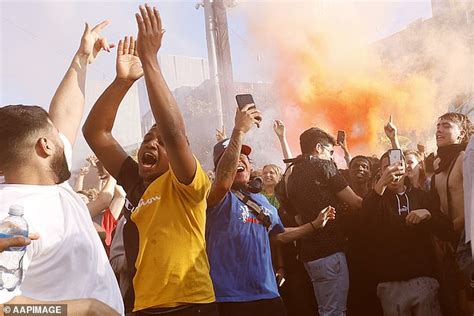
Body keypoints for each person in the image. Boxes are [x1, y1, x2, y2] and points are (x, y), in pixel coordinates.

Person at [83, 5, 216, 315]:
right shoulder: (135, 184)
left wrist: (150, 60)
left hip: (190, 305)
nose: (151, 144)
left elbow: (173, 131)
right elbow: (96, 133)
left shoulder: (187, 183)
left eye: (161, 143)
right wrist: (123, 81)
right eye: (146, 140)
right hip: (143, 306)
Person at [0, 21, 122, 314]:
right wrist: (82, 310)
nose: (65, 136)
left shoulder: (49, 179)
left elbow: (66, 111)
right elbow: (4, 307)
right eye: (57, 135)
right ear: (45, 146)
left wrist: (81, 60)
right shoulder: (12, 218)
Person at [206, 105, 335, 316]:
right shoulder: (215, 197)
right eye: (230, 157)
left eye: (243, 157)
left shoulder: (263, 203)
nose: (239, 160)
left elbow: (279, 236)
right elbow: (222, 182)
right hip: (228, 298)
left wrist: (313, 225)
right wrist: (238, 131)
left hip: (268, 296)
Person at [362, 150, 454, 316]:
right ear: (380, 172)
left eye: (397, 165)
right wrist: (381, 184)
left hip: (423, 280)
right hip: (390, 284)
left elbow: (447, 231)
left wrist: (428, 214)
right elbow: (365, 223)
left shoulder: (422, 196)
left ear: (405, 169)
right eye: (387, 168)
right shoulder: (375, 199)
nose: (392, 170)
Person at [286, 127, 362, 316]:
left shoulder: (292, 174)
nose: (331, 157)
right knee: (334, 311)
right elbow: (356, 203)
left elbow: (295, 214)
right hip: (330, 251)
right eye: (330, 152)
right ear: (318, 148)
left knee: (325, 309)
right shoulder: (324, 167)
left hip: (309, 253)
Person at [432, 112, 474, 314]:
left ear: (461, 133)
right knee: (455, 302)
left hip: (467, 239)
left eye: (446, 125)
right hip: (449, 242)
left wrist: (457, 226)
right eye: (438, 125)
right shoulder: (438, 164)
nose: (439, 129)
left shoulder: (466, 157)